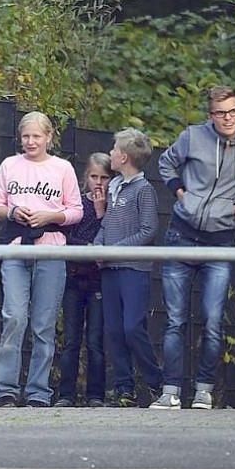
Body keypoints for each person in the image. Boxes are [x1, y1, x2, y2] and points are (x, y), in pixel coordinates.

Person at [151, 86, 235, 410]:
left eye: (233, 111)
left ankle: (204, 389)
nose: (228, 118)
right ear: (211, 116)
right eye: (221, 113)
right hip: (181, 235)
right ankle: (170, 390)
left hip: (219, 243)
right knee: (175, 319)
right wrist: (182, 195)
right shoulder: (192, 136)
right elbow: (165, 164)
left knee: (212, 319)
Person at [0, 111, 83, 408]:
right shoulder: (9, 165)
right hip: (16, 247)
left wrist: (51, 215)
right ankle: (5, 389)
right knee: (14, 317)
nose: (31, 141)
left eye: (36, 136)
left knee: (43, 324)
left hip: (52, 248)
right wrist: (13, 213)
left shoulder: (62, 168)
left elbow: (76, 211)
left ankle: (38, 392)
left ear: (49, 137)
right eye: (26, 136)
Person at [93, 128, 163, 407]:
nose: (109, 153)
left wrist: (116, 248)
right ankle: (124, 389)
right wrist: (97, 246)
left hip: (133, 269)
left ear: (123, 157)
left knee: (133, 327)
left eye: (113, 150)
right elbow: (107, 224)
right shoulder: (113, 186)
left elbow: (149, 229)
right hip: (109, 269)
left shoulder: (144, 190)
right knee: (113, 330)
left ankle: (157, 382)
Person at [54, 153, 113, 408]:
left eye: (104, 177)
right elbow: (65, 236)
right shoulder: (77, 203)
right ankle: (66, 395)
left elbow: (111, 238)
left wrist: (101, 213)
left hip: (99, 282)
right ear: (85, 177)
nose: (98, 182)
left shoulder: (113, 206)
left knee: (96, 342)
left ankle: (96, 395)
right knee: (71, 341)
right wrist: (88, 247)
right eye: (94, 176)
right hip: (74, 279)